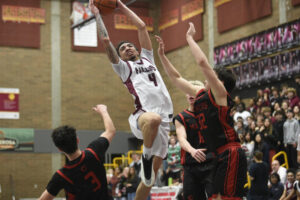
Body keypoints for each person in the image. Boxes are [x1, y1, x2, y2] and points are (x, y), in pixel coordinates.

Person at [88, 0, 173, 199]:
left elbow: (142, 26)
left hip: (165, 122)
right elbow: (107, 41)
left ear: (136, 50)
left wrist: (118, 4)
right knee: (153, 119)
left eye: (129, 45)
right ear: (120, 57)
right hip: (142, 116)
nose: (127, 47)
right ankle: (145, 156)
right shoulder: (124, 68)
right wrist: (97, 15)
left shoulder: (148, 59)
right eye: (123, 48)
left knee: (148, 181)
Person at [155, 22, 247, 200]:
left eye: (212, 76)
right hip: (218, 155)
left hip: (229, 151)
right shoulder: (201, 95)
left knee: (226, 198)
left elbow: (203, 63)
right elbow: (176, 78)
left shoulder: (220, 94)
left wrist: (189, 38)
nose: (207, 78)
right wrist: (162, 56)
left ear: (218, 81)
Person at [38, 104, 116, 200]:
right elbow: (110, 131)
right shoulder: (94, 152)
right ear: (77, 140)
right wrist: (103, 110)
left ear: (60, 149)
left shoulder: (61, 176)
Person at [173, 80, 216, 199]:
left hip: (211, 162)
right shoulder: (181, 117)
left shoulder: (210, 114)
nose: (191, 94)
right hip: (190, 166)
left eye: (194, 92)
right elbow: (181, 139)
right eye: (188, 91)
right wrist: (192, 150)